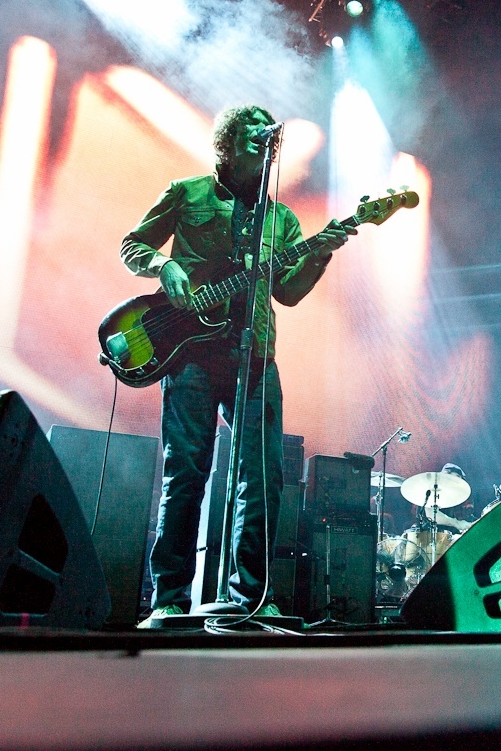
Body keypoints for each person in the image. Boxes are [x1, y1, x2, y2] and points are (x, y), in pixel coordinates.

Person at [122, 104, 356, 627]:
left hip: (256, 356)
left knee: (264, 477)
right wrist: (166, 265)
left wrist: (319, 255)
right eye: (251, 131)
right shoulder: (187, 193)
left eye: (267, 134)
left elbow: (290, 292)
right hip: (190, 355)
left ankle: (251, 594)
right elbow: (132, 246)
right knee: (186, 473)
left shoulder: (282, 219)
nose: (263, 137)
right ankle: (170, 596)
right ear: (227, 143)